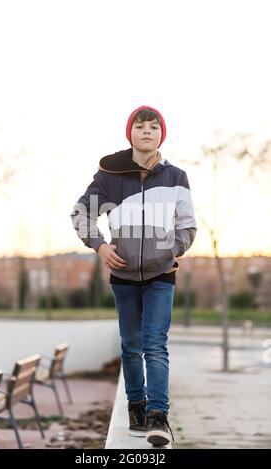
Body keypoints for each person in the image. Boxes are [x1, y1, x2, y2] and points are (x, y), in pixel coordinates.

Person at [71, 105, 197, 446]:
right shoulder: (109, 177)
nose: (147, 131)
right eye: (140, 126)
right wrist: (99, 246)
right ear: (130, 133)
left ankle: (158, 416)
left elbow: (188, 227)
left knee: (155, 345)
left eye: (153, 127)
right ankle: (137, 410)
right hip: (124, 277)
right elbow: (81, 214)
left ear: (161, 134)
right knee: (130, 347)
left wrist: (170, 252)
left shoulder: (176, 178)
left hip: (161, 276)